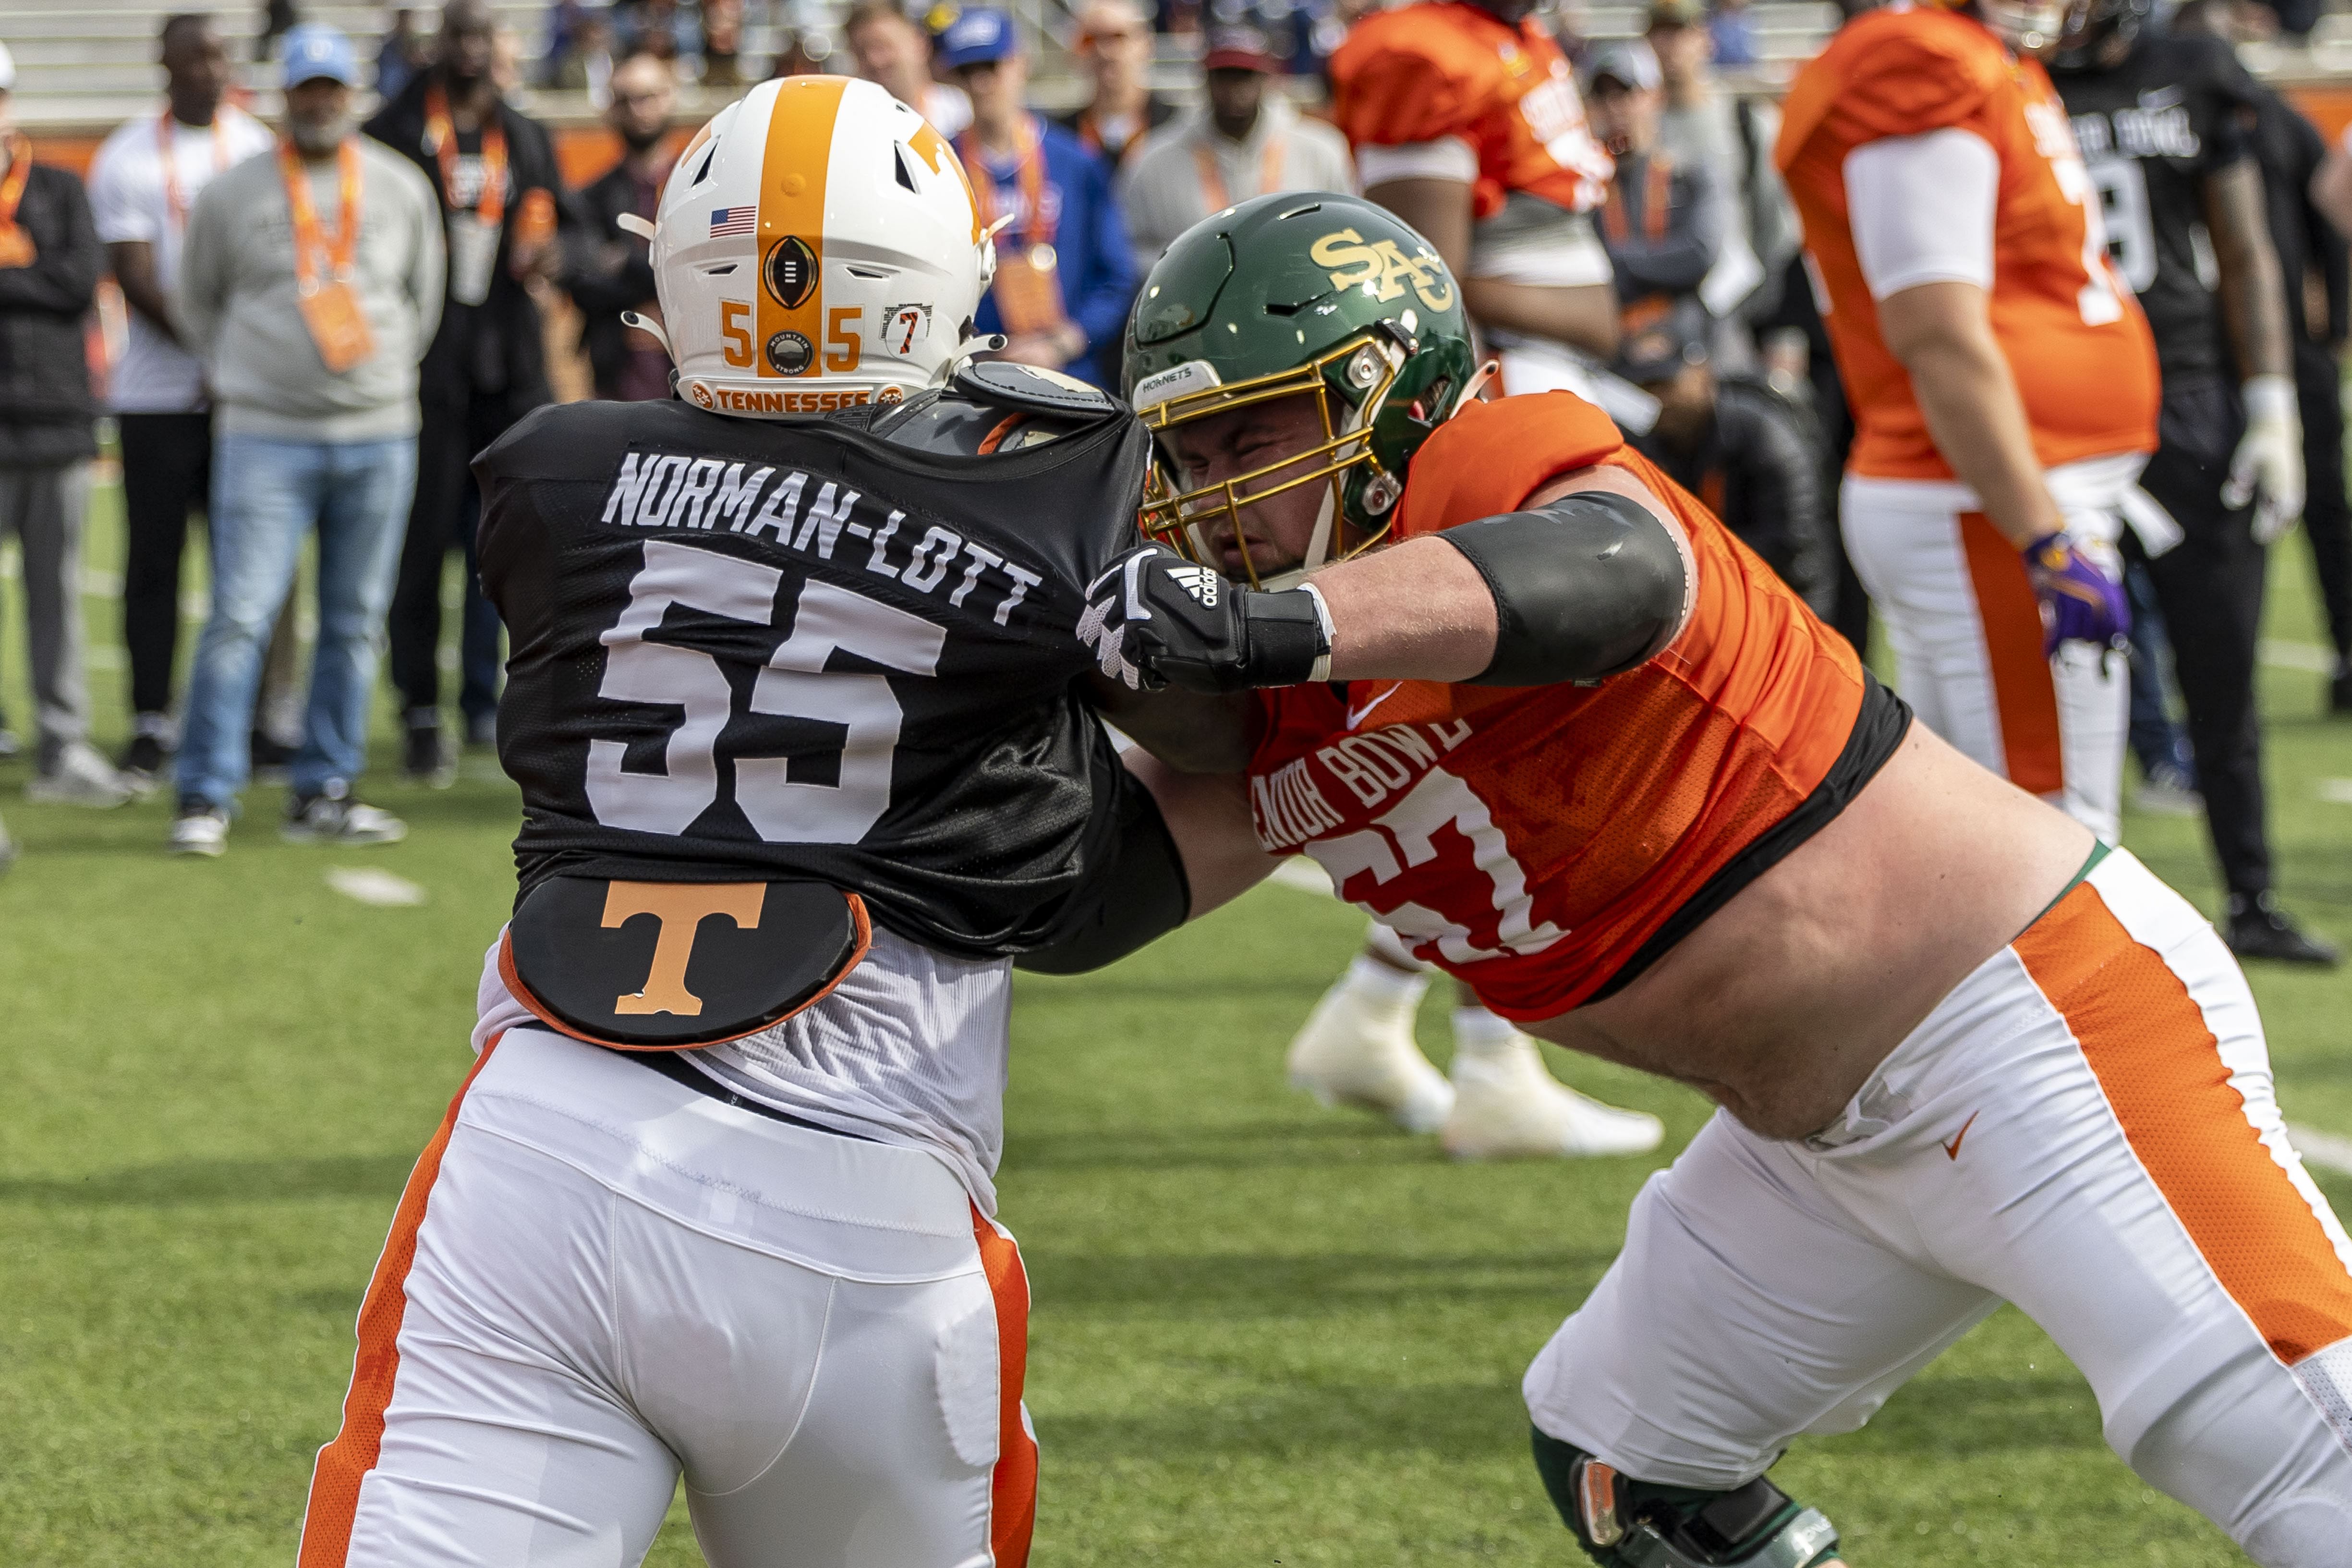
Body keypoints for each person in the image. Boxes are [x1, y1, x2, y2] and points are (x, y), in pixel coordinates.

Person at [1102, 189, 2352, 1568]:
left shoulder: (1487, 474)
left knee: (2306, 1454)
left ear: (1386, 397)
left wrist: (1276, 628)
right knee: (1631, 1461)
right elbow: (1076, 903)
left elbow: (1621, 570)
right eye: (1183, 450)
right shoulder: (1261, 688)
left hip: (2028, 1026)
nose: (1209, 493)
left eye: (1253, 436)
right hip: (1816, 1147)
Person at [291, 73, 1220, 1568]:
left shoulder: (556, 473)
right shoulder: (1067, 482)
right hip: (866, 1188)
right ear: (938, 287)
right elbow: (1159, 790)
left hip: (543, 1150)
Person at [1776, 0, 2153, 845]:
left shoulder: (1972, 56)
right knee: (2047, 841)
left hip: (1994, 494)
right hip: (1982, 497)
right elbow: (1935, 330)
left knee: (1984, 844)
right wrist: (2041, 536)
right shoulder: (1920, 61)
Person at [2050, 0, 2335, 965]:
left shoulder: (2194, 68)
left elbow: (2246, 245)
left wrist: (2270, 403)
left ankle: (2248, 892)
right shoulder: (2005, 80)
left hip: (2187, 398)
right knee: (2066, 665)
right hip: (2065, 403)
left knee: (2222, 658)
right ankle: (2064, 913)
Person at [169, 24, 444, 856]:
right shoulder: (232, 191)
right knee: (241, 615)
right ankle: (206, 791)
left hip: (378, 431)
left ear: (351, 93)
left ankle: (325, 785)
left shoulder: (399, 187)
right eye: (306, 88)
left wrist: (379, 372)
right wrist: (250, 374)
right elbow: (197, 301)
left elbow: (421, 304)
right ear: (283, 95)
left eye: (332, 86)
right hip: (266, 434)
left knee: (356, 620)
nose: (320, 101)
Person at [366, 0, 565, 776]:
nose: (471, 51)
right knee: (420, 546)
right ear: (437, 44)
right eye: (459, 37)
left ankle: (486, 700)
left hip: (507, 373)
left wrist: (553, 254)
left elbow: (568, 228)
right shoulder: (393, 131)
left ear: (499, 46)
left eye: (483, 37)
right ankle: (419, 703)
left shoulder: (526, 136)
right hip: (424, 369)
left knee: (504, 548)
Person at [87, 14, 277, 790]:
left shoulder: (260, 147)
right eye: (192, 56)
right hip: (158, 398)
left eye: (217, 55)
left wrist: (241, 359)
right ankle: (149, 719)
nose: (206, 68)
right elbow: (134, 275)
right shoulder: (128, 154)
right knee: (154, 564)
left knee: (253, 569)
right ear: (163, 64)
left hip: (247, 398)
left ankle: (257, 721)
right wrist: (216, 349)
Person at [1330, 0, 1621, 403]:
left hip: (1566, 365)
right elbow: (1424, 290)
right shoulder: (1427, 55)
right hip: (1512, 373)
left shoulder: (1517, 31)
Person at [0, 45, 124, 809]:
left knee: (57, 597)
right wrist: (29, 278)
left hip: (55, 423)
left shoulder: (58, 188)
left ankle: (63, 742)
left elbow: (78, 280)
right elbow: (54, 282)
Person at [938, 8, 1135, 388]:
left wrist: (1067, 341)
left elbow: (1116, 276)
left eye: (991, 66)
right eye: (967, 72)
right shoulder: (942, 167)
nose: (981, 84)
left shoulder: (1077, 162)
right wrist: (975, 350)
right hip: (974, 379)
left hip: (1072, 375)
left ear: (1019, 64)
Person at [1619, 294, 1830, 611]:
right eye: (1646, 387)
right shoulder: (1644, 442)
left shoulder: (1763, 432)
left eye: (1668, 382)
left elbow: (1791, 542)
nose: (1658, 399)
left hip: (1785, 599)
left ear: (1703, 374)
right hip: (1702, 594)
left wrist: (1689, 558)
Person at [1115, 23, 1354, 269]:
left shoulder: (1321, 150)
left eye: (1245, 76)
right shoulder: (1153, 159)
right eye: (1224, 76)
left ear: (1265, 79)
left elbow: (1349, 234)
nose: (1234, 89)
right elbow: (1128, 250)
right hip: (1196, 301)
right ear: (1206, 80)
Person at [563, 51, 674, 402]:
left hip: (692, 388)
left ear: (670, 97)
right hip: (616, 386)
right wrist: (664, 282)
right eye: (626, 100)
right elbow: (582, 281)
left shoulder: (704, 188)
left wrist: (625, 263)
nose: (638, 110)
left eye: (649, 97)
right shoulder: (591, 197)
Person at [1584, 41, 1725, 307]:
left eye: (1625, 94)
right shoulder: (1583, 184)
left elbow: (1699, 254)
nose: (1613, 108)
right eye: (1601, 97)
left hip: (1690, 331)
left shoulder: (1690, 170)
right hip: (1615, 333)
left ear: (1655, 97)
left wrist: (1617, 262)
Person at [1055, 0, 1176, 169]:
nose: (1104, 51)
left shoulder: (1174, 126)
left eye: (1117, 37)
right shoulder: (1061, 136)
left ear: (1145, 44)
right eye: (1091, 39)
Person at [378, 8, 433, 100]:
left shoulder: (419, 46)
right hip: (394, 95)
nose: (405, 24)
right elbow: (386, 83)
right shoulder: (389, 47)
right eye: (403, 19)